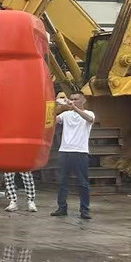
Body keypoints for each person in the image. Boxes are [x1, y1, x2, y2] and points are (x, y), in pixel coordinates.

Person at [51, 92, 95, 220]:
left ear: (83, 100)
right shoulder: (65, 115)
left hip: (80, 152)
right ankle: (62, 207)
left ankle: (85, 209)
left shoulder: (89, 113)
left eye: (76, 99)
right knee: (62, 181)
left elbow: (90, 119)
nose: (73, 101)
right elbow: (51, 121)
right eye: (71, 99)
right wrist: (55, 106)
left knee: (82, 182)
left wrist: (74, 108)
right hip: (65, 151)